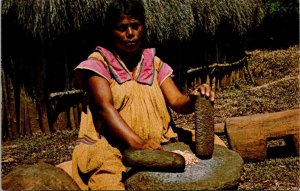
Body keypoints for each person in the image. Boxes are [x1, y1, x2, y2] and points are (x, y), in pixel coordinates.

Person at [71, 0, 224, 190]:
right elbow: (104, 107)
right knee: (107, 181)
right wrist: (138, 143)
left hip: (158, 142)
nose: (130, 34)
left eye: (135, 26)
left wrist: (194, 99)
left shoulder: (154, 63)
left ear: (143, 26)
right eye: (122, 28)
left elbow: (177, 101)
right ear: (111, 31)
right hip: (111, 146)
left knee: (218, 151)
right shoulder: (98, 64)